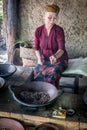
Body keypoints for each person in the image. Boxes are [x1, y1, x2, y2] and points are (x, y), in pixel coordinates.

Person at [31, 4, 68, 87]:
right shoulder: (38, 30)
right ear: (44, 16)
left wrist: (55, 56)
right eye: (49, 17)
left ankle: (52, 92)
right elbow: (36, 48)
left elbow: (61, 49)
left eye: (54, 18)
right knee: (36, 71)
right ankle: (39, 91)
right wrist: (39, 59)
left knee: (53, 73)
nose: (52, 21)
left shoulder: (59, 30)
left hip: (60, 59)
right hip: (45, 59)